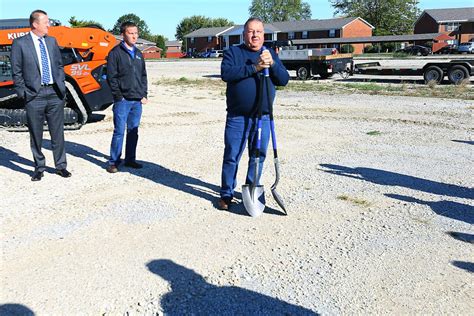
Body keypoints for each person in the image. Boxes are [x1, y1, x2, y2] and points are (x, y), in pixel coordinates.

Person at [218, 17, 289, 210]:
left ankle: (251, 189)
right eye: (251, 31)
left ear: (263, 35)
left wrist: (272, 64)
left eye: (258, 31)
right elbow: (227, 74)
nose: (255, 35)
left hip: (263, 117)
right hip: (238, 116)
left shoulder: (270, 53)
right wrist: (255, 67)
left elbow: (283, 80)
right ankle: (226, 193)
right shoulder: (233, 52)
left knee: (257, 157)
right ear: (244, 34)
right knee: (232, 155)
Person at [11, 9, 71, 181]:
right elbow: (16, 72)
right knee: (36, 134)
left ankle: (61, 166)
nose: (49, 25)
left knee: (57, 132)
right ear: (35, 24)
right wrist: (24, 93)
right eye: (46, 22)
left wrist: (61, 87)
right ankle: (39, 167)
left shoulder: (52, 42)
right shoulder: (20, 43)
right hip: (34, 96)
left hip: (54, 93)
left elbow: (59, 66)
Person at [106, 21, 148, 173]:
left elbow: (143, 75)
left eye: (136, 33)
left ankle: (130, 159)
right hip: (123, 101)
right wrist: (119, 96)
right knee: (119, 131)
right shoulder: (115, 53)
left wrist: (144, 94)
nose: (134, 36)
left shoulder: (138, 54)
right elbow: (111, 77)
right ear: (123, 34)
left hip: (137, 101)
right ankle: (114, 162)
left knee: (133, 131)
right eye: (131, 33)